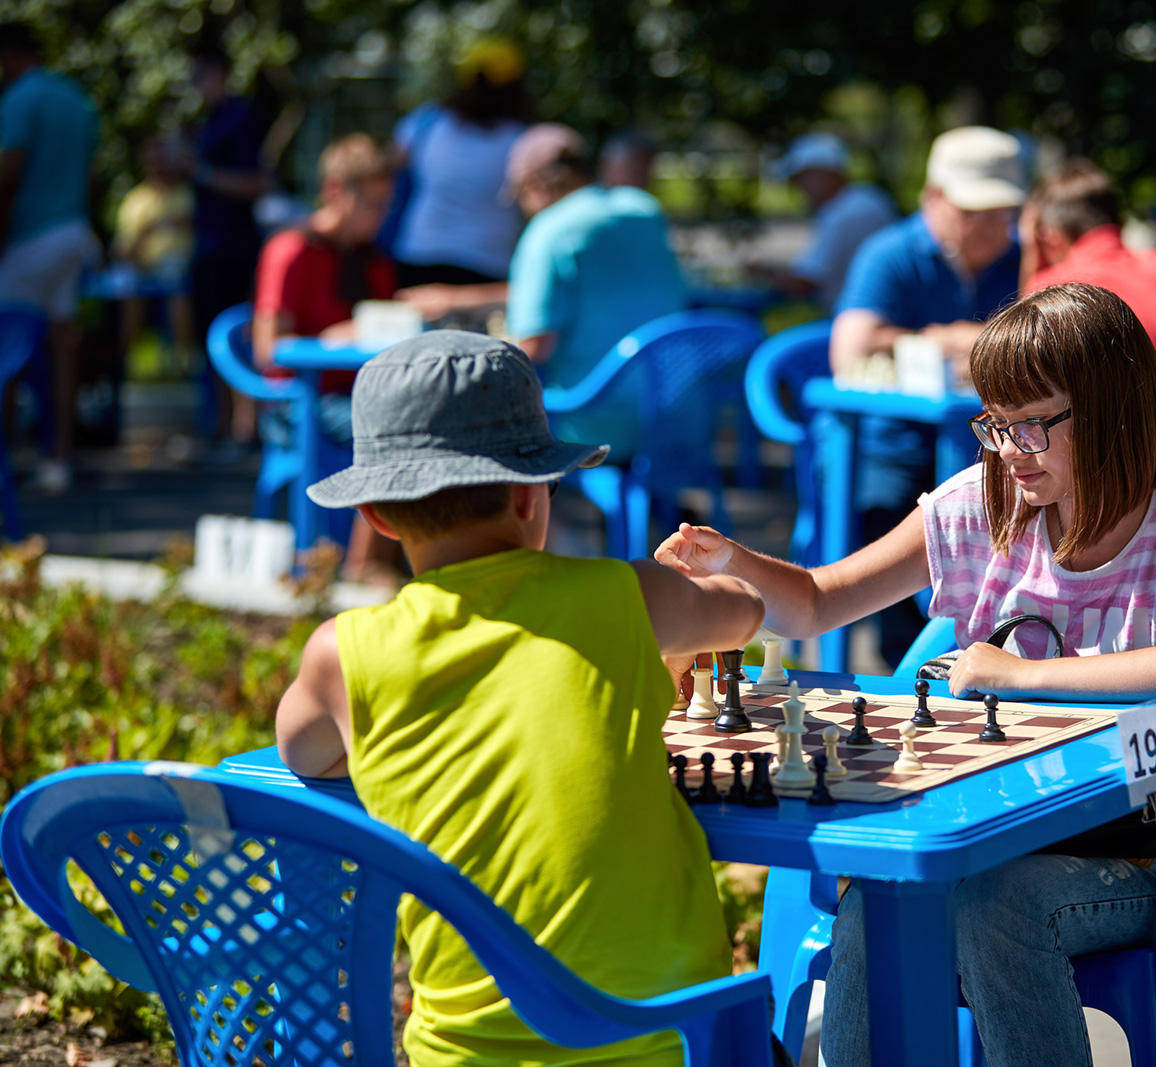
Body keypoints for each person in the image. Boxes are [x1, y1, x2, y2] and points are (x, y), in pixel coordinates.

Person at [656, 283, 1156, 1067]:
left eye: (1030, 424)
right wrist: (734, 561)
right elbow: (817, 600)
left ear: (1113, 407)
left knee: (997, 909)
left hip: (1141, 845)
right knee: (878, 905)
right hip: (992, 832)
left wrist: (1027, 674)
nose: (1006, 448)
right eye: (993, 422)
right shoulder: (983, 504)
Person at [276, 330, 765, 1067]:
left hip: (461, 1055)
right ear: (531, 491)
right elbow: (746, 608)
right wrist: (682, 584)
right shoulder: (623, 594)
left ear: (375, 515)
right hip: (666, 1045)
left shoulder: (341, 653)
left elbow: (301, 750)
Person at [830, 125, 1026, 665]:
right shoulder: (890, 253)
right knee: (882, 510)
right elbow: (849, 351)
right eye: (975, 212)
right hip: (892, 444)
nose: (992, 227)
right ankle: (904, 666)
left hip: (994, 445)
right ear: (933, 198)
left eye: (1001, 212)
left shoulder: (1022, 257)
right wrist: (949, 339)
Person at [253, 133, 397, 580]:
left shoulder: (373, 261)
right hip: (301, 400)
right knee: (395, 432)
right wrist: (335, 338)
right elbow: (267, 349)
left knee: (433, 419)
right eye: (370, 203)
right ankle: (364, 565)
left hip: (363, 393)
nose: (379, 216)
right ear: (336, 191)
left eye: (384, 204)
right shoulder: (292, 250)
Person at [501, 123, 687, 459]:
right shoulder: (643, 209)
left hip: (592, 418)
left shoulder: (549, 231)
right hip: (677, 410)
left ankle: (548, 514)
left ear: (536, 185)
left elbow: (533, 346)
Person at [0, 22, 100, 493]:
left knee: (7, 345)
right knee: (62, 346)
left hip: (29, 237)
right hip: (72, 231)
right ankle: (57, 456)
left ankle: (7, 454)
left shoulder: (20, 98)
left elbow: (8, 174)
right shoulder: (75, 99)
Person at [182, 45, 270, 454]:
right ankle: (223, 431)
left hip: (233, 248)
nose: (194, 85)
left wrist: (196, 171)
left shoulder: (238, 116)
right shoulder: (209, 119)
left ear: (218, 71)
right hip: (209, 248)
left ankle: (243, 430)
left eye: (198, 75)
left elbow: (255, 183)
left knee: (237, 338)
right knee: (211, 343)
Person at [389, 37, 530, 290]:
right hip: (489, 261)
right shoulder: (523, 139)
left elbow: (389, 166)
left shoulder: (427, 123)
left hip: (419, 254)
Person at [1021, 158, 1156, 355]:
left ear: (1049, 238)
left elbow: (1023, 356)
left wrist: (1031, 256)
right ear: (1119, 221)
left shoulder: (1049, 288)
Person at [763, 131, 897, 312]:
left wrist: (765, 274)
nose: (799, 187)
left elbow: (805, 283)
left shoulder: (841, 213)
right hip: (885, 313)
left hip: (853, 320)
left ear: (822, 173)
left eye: (801, 178)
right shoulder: (871, 199)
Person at [112, 136, 195, 374]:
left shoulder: (189, 194)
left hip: (182, 272)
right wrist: (148, 232)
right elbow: (124, 251)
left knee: (173, 276)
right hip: (143, 272)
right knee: (129, 285)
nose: (159, 164)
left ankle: (184, 361)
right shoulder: (135, 201)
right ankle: (125, 364)